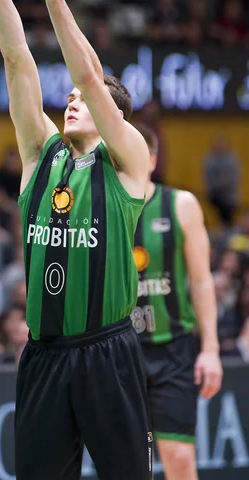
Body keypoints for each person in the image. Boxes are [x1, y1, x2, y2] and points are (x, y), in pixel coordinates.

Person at [0, 0, 152, 480]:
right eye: (66, 96)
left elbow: (92, 79)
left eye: (83, 99)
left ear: (115, 118)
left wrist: (55, 3)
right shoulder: (38, 156)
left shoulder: (126, 166)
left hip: (107, 355)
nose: (72, 100)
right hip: (43, 356)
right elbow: (19, 63)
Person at [132, 124, 223, 480]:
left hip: (173, 350)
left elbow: (201, 280)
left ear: (151, 160)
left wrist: (211, 348)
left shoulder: (180, 204)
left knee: (180, 458)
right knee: (133, 463)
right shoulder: (100, 208)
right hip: (121, 351)